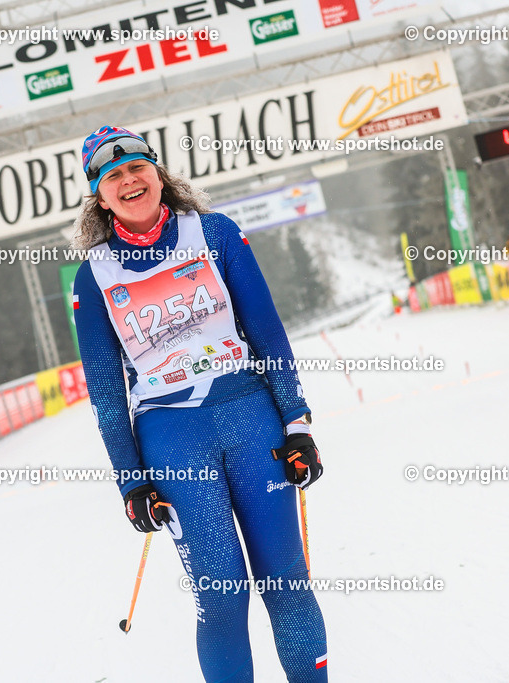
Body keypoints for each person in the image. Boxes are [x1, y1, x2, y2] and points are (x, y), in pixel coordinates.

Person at [72, 126, 328, 682]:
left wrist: (297, 422)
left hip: (250, 419)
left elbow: (266, 332)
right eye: (113, 175)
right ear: (99, 195)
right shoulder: (94, 277)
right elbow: (106, 393)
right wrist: (130, 482)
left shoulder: (214, 233)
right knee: (221, 598)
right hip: (172, 439)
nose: (129, 181)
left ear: (158, 173)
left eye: (137, 168)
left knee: (286, 584)